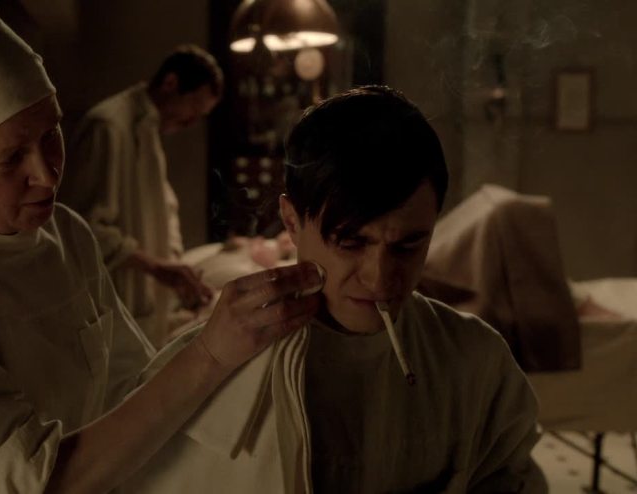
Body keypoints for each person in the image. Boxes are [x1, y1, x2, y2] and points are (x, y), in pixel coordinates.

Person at [0, 9, 323, 493]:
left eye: (51, 134)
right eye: (10, 158)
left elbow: (130, 389)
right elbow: (35, 480)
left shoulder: (65, 233)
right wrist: (209, 354)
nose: (47, 174)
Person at [118, 86, 547, 493]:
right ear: (291, 222)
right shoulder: (205, 366)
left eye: (408, 245)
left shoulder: (475, 360)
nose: (380, 280)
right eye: (350, 242)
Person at [58, 45, 222, 345]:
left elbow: (164, 210)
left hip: (141, 299)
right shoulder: (107, 126)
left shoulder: (147, 129)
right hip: (112, 297)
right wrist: (155, 266)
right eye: (193, 110)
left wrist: (174, 268)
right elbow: (81, 226)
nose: (191, 123)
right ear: (170, 83)